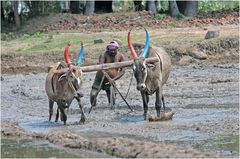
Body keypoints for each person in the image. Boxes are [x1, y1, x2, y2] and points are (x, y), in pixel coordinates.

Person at [90, 41, 125, 109]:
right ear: (108, 50)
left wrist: (113, 79)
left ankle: (111, 110)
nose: (112, 52)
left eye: (114, 50)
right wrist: (108, 77)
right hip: (100, 79)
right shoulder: (103, 55)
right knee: (93, 95)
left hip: (111, 81)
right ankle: (93, 107)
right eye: (111, 50)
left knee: (112, 98)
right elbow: (101, 67)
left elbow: (123, 71)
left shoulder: (121, 56)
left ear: (117, 49)